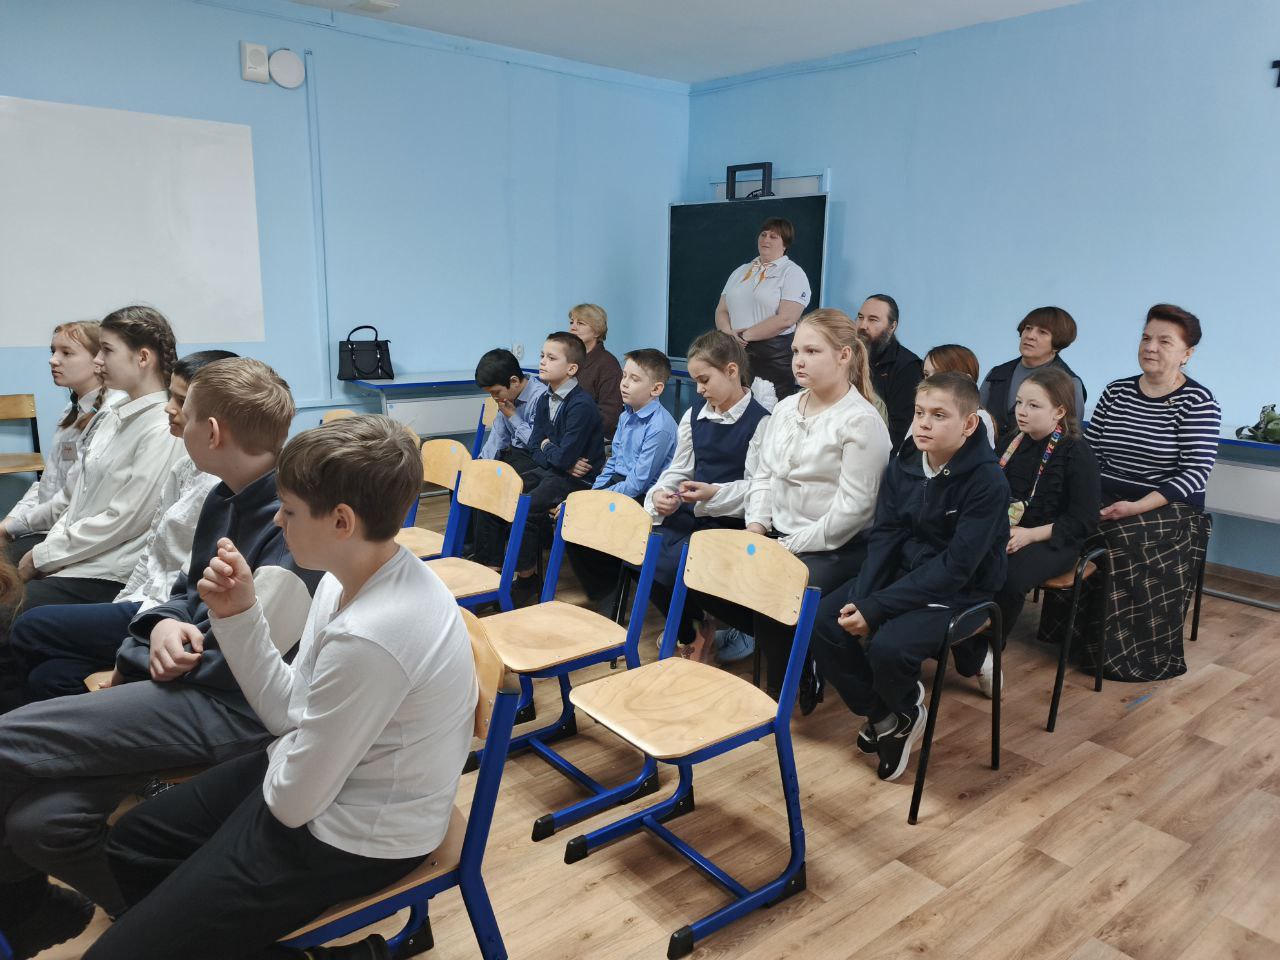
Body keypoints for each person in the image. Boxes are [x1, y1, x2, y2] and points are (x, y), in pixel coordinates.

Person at [81, 415, 477, 960]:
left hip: (356, 835)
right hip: (313, 785)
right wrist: (239, 614)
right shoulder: (345, 577)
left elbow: (291, 804)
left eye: (289, 510)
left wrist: (244, 813)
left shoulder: (372, 635)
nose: (276, 519)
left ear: (341, 521)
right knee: (133, 844)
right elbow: (288, 714)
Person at [0, 358, 320, 958]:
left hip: (231, 708)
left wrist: (145, 649)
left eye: (184, 411)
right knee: (41, 825)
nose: (174, 418)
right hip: (191, 686)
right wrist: (161, 624)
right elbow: (182, 593)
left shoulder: (290, 522)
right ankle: (165, 925)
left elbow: (245, 666)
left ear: (213, 432)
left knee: (7, 740)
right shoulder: (224, 497)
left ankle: (45, 915)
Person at [5, 351, 236, 705]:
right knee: (49, 676)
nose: (169, 407)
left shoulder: (215, 479)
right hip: (143, 597)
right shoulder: (177, 462)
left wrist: (47, 555)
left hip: (164, 610)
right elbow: (151, 549)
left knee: (25, 623)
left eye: (180, 401)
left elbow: (126, 524)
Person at [811, 373, 1010, 782]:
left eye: (939, 415)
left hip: (963, 592)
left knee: (889, 647)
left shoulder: (988, 481)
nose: (924, 424)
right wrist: (865, 596)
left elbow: (956, 568)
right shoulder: (904, 461)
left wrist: (877, 607)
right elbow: (886, 533)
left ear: (969, 424)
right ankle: (890, 715)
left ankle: (896, 704)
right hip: (905, 575)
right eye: (920, 413)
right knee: (823, 622)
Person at [696, 309, 891, 714]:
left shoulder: (861, 421)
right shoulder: (786, 408)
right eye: (796, 351)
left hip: (837, 547)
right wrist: (755, 528)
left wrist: (783, 548)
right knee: (706, 573)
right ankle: (801, 655)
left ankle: (782, 692)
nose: (799, 361)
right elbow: (764, 476)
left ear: (844, 356)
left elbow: (853, 512)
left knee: (773, 586)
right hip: (779, 537)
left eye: (812, 351)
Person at [1048, 304, 1220, 682]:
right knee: (1067, 521)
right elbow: (1091, 452)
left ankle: (1119, 652)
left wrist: (1137, 506)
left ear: (1187, 353)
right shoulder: (1117, 391)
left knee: (1118, 538)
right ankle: (1071, 637)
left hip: (1169, 506)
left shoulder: (1198, 402)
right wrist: (1084, 499)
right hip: (1108, 494)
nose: (1150, 347)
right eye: (1146, 338)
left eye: (1164, 341)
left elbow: (1195, 472)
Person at [5, 306, 184, 624]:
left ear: (143, 358)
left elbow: (124, 519)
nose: (98, 360)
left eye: (106, 350)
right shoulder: (112, 416)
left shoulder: (161, 428)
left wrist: (45, 555)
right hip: (74, 557)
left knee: (10, 614)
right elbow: (72, 499)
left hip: (106, 573)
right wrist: (49, 551)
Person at [643, 331, 770, 661]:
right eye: (696, 381)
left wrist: (714, 493)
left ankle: (698, 627)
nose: (699, 389)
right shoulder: (694, 415)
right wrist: (661, 494)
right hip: (691, 511)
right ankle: (692, 628)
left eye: (704, 380)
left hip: (729, 519)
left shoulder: (761, 422)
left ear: (731, 371)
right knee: (643, 553)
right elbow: (678, 469)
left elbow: (759, 488)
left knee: (674, 562)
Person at [565, 348, 678, 611]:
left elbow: (639, 482)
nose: (624, 384)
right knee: (572, 521)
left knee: (597, 523)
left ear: (656, 389)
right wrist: (591, 495)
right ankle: (604, 589)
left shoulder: (660, 426)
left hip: (645, 494)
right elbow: (613, 462)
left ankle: (612, 595)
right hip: (620, 483)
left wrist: (598, 500)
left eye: (634, 379)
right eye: (624, 376)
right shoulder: (626, 415)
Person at [1, 321, 122, 564]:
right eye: (53, 351)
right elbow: (46, 485)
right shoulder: (72, 409)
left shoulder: (110, 415)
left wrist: (10, 528)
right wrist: (7, 524)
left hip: (69, 535)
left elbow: (70, 500)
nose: (53, 360)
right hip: (46, 525)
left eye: (66, 353)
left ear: (99, 360)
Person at [993, 367, 1100, 643]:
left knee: (1009, 577)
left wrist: (1029, 535)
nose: (1022, 411)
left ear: (1059, 412)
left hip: (1052, 539)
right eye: (1019, 402)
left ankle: (987, 649)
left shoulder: (1076, 452)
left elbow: (1082, 521)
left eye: (1034, 405)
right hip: (1007, 529)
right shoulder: (1011, 441)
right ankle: (957, 636)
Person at [504, 332, 605, 606]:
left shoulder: (581, 406)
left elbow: (559, 455)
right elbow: (535, 449)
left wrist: (549, 448)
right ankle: (510, 569)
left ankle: (527, 579)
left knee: (525, 507)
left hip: (579, 480)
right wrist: (552, 452)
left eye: (551, 358)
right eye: (542, 356)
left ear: (571, 369)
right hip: (556, 472)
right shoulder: (543, 399)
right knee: (509, 492)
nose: (542, 362)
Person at [714, 217, 812, 402]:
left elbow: (786, 318)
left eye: (773, 236)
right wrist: (728, 333)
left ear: (785, 244)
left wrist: (745, 336)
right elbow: (721, 310)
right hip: (733, 350)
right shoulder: (741, 271)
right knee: (733, 408)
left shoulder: (792, 273)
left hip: (772, 357)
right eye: (763, 234)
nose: (766, 239)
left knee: (766, 411)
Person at [980, 306, 1087, 436]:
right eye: (1028, 328)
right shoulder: (997, 374)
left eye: (1042, 332)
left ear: (1058, 343)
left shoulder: (1070, 383)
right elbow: (977, 420)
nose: (1030, 336)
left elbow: (1068, 437)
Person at [855, 294, 923, 446]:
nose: (863, 326)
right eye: (860, 317)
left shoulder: (908, 367)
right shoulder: (846, 356)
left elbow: (898, 432)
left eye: (873, 320)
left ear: (892, 327)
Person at [474, 347, 548, 464]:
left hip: (536, 460)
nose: (494, 397)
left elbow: (538, 445)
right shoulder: (508, 397)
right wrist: (481, 464)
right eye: (490, 393)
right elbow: (498, 438)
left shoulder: (542, 398)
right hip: (516, 456)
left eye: (496, 392)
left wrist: (513, 417)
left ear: (514, 381)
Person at [922, 344, 996, 446]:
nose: (929, 381)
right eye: (926, 374)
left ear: (966, 380)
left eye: (939, 375)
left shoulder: (980, 417)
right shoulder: (922, 412)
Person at [568, 303, 623, 439]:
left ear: (597, 332)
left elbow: (609, 416)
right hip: (564, 433)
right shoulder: (567, 357)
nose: (573, 327)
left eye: (580, 323)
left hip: (590, 437)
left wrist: (573, 434)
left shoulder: (608, 364)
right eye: (571, 322)